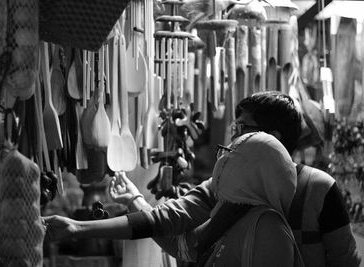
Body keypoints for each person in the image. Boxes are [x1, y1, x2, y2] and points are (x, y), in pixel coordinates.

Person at [44, 92, 362, 266]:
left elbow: (346, 262)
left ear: (272, 138)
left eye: (241, 130)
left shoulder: (320, 190)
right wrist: (80, 226)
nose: (231, 139)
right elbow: (172, 225)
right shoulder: (230, 184)